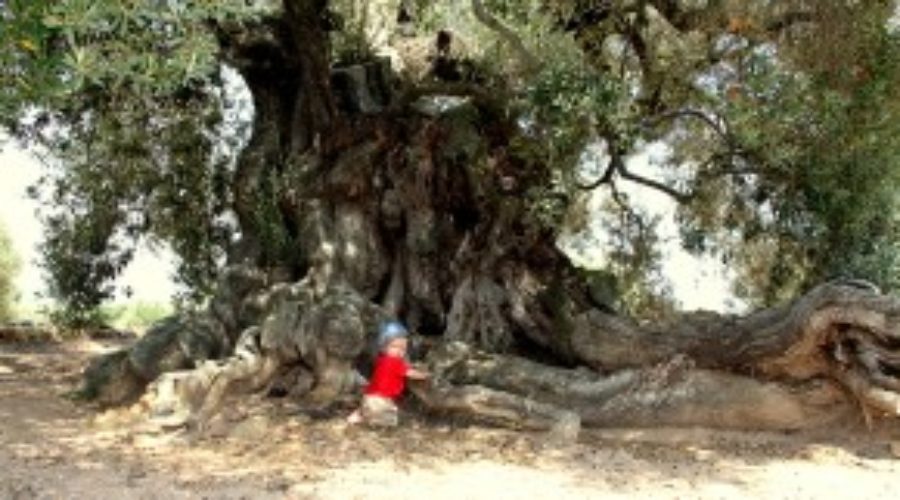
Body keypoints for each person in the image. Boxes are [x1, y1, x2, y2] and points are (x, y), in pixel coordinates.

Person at [347, 320, 428, 426]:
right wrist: (424, 375)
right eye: (394, 347)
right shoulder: (394, 362)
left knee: (372, 408)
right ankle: (367, 417)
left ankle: (360, 413)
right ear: (384, 346)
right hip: (381, 399)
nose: (399, 351)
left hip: (370, 395)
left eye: (403, 348)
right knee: (390, 420)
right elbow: (409, 373)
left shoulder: (381, 360)